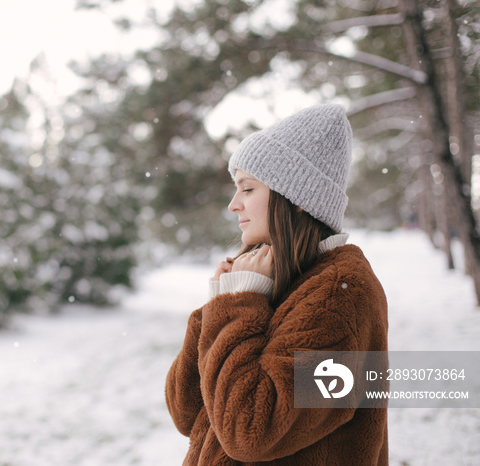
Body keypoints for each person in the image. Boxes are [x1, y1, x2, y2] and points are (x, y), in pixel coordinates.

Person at [165, 103, 389, 465]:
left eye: (248, 189)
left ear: (298, 200)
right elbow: (188, 412)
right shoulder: (273, 279)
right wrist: (219, 306)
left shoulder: (339, 296)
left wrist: (237, 308)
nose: (233, 205)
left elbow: (248, 432)